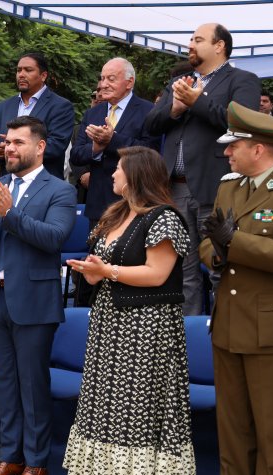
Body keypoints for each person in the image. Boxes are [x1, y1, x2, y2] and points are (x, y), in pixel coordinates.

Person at [63, 146, 196, 475]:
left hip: (146, 329)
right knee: (106, 408)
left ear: (136, 175)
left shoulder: (164, 217)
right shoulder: (118, 212)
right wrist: (93, 274)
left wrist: (108, 271)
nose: (113, 175)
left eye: (118, 169)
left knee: (137, 412)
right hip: (110, 323)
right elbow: (106, 272)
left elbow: (157, 274)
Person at [0, 116, 76, 475]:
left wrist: (10, 214)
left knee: (33, 385)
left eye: (18, 142)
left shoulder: (59, 190)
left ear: (40, 147)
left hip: (33, 302)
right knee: (5, 385)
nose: (10, 148)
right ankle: (8, 458)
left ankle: (37, 463)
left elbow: (54, 238)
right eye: (7, 142)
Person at [200, 102, 273, 475]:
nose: (227, 152)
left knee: (272, 433)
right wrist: (222, 249)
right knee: (233, 430)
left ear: (258, 148)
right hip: (228, 322)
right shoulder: (230, 185)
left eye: (234, 146)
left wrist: (235, 242)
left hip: (271, 330)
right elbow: (208, 244)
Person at [145, 23, 260, 315]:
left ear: (219, 45)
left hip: (217, 186)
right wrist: (175, 109)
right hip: (175, 188)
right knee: (184, 270)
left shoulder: (242, 80)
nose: (190, 45)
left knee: (221, 266)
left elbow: (242, 123)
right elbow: (150, 124)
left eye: (197, 40)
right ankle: (190, 342)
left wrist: (198, 102)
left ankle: (224, 336)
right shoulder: (181, 80)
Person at [71, 58, 160, 306]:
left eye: (112, 78)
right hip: (99, 201)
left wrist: (114, 140)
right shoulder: (94, 112)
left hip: (134, 203)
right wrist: (96, 147)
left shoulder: (147, 112)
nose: (104, 84)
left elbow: (151, 152)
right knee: (95, 266)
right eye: (102, 78)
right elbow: (77, 154)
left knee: (126, 263)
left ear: (129, 82)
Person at [0, 52, 74, 179]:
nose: (21, 74)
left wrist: (12, 149)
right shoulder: (3, 106)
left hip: (43, 185)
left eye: (28, 70)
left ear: (43, 76)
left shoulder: (61, 106)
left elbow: (55, 146)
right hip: (7, 184)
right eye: (19, 70)